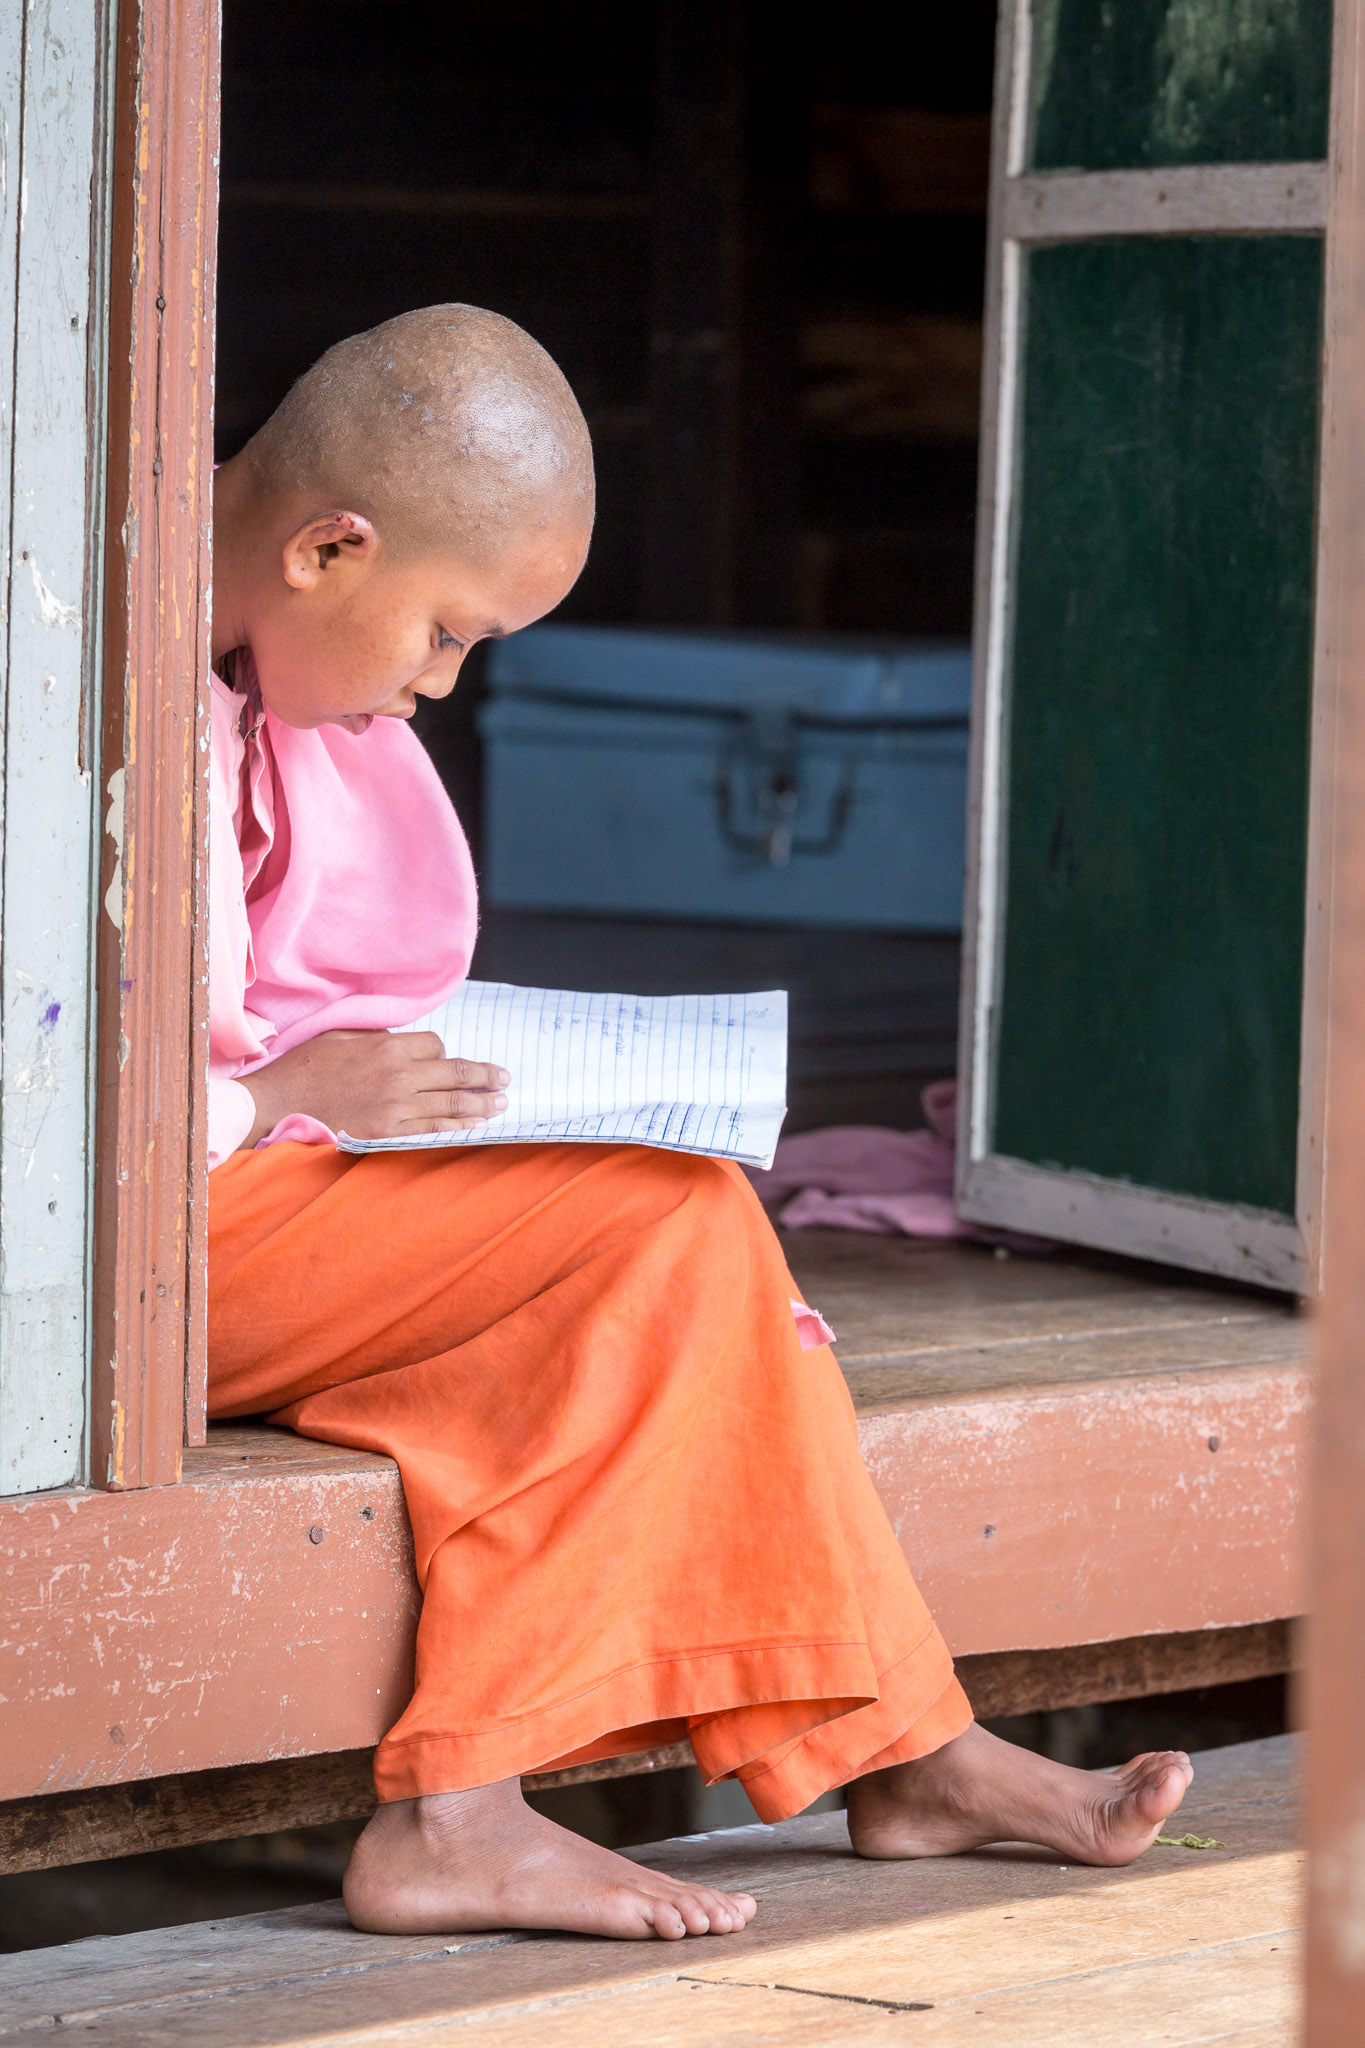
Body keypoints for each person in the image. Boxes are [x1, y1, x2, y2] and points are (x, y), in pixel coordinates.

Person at [207, 304, 1194, 1943]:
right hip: (102, 1272)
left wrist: (304, 1086)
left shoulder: (235, 646)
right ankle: (503, 1809)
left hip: (243, 1194)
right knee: (659, 1226)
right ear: (328, 548)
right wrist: (268, 1094)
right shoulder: (66, 662)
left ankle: (901, 1757)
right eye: (445, 632)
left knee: (667, 1250)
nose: (439, 686)